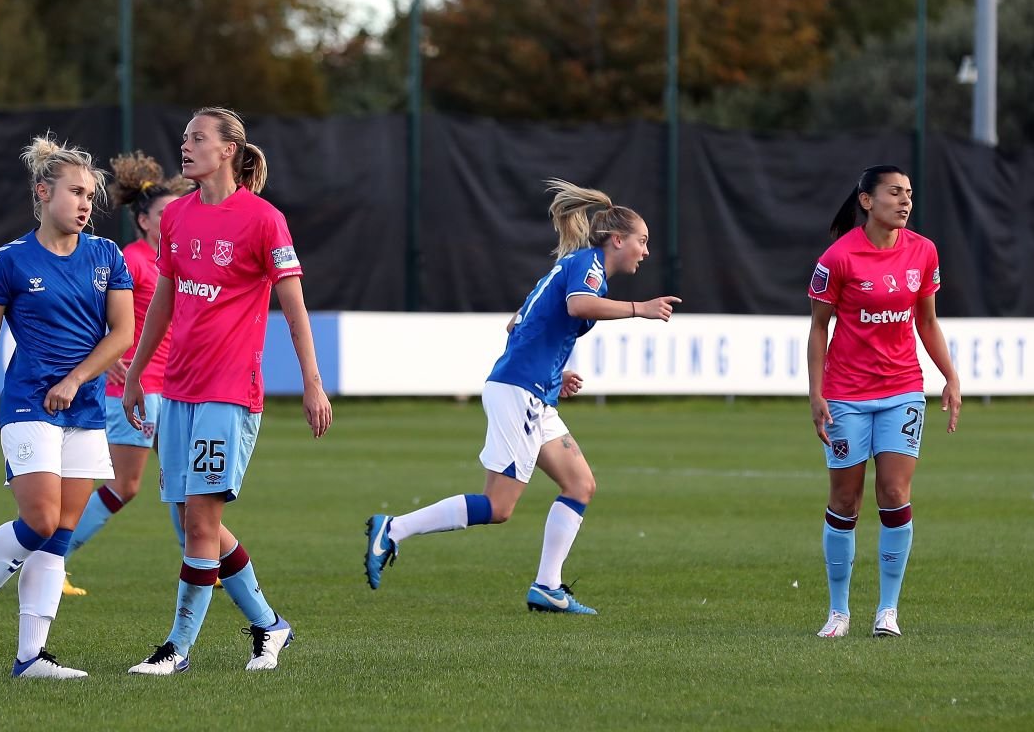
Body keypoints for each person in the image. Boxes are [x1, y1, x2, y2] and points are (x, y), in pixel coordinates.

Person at [364, 179, 681, 614]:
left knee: (580, 484)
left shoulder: (574, 266)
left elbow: (517, 323)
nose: (646, 251)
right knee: (498, 506)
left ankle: (547, 587)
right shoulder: (588, 268)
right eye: (642, 241)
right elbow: (577, 307)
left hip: (532, 390)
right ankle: (394, 529)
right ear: (618, 240)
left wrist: (555, 373)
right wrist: (638, 309)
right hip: (520, 392)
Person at [124, 107, 333, 675]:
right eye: (184, 137)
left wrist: (313, 384)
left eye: (197, 138)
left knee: (198, 523)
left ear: (228, 151)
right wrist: (140, 373)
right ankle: (270, 625)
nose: (184, 146)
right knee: (191, 523)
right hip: (178, 391)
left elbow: (294, 309)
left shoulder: (264, 220)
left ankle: (177, 648)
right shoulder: (177, 218)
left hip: (228, 392)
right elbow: (163, 304)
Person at [0, 135, 134, 678]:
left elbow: (123, 332)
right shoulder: (9, 261)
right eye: (75, 192)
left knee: (61, 532)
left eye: (91, 195)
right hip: (29, 403)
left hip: (85, 406)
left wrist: (77, 380)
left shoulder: (107, 255)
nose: (86, 203)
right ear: (43, 193)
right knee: (40, 518)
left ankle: (30, 657)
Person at [806, 164, 961, 639]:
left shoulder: (924, 252)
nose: (905, 200)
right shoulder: (837, 258)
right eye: (894, 192)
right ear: (867, 201)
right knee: (845, 499)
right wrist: (816, 393)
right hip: (846, 396)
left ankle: (887, 612)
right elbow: (818, 328)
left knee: (894, 493)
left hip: (902, 392)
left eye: (909, 193)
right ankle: (838, 612)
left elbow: (927, 323)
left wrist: (950, 376)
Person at [62, 152, 193, 596]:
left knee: (183, 478)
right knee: (126, 484)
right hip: (133, 389)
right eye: (164, 213)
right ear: (143, 221)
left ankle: (199, 563)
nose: (175, 217)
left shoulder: (183, 262)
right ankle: (54, 558)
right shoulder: (132, 260)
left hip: (173, 388)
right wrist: (102, 354)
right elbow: (87, 310)